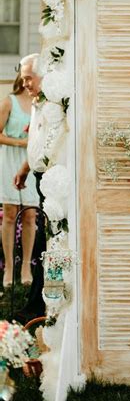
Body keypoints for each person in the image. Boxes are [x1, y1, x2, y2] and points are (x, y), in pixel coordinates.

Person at [13, 54, 47, 321]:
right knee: (43, 245)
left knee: (45, 245)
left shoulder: (53, 104)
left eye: (28, 78)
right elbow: (36, 140)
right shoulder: (38, 101)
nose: (24, 83)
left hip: (51, 179)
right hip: (38, 176)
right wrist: (25, 168)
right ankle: (36, 303)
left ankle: (38, 305)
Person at [0, 72, 39, 289]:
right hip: (10, 159)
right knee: (10, 214)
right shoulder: (9, 101)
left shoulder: (39, 103)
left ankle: (26, 265)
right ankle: (8, 266)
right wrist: (20, 143)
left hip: (31, 161)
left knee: (31, 214)